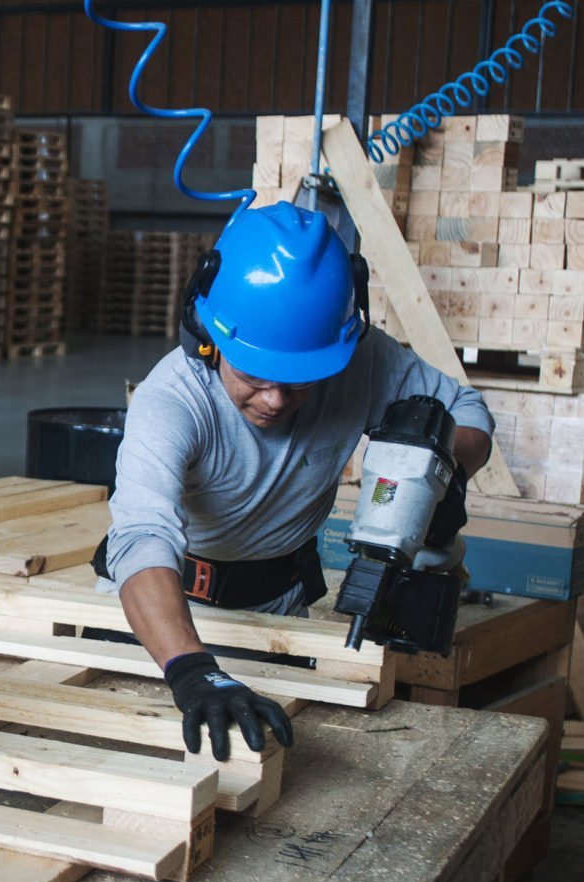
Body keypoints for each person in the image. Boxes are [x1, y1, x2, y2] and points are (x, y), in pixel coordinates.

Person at [96, 201, 494, 762]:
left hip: (280, 613)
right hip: (164, 623)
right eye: (254, 374)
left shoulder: (362, 360)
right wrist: (191, 669)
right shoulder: (172, 401)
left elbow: (467, 408)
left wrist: (441, 470)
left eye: (302, 379)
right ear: (209, 337)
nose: (277, 399)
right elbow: (140, 538)